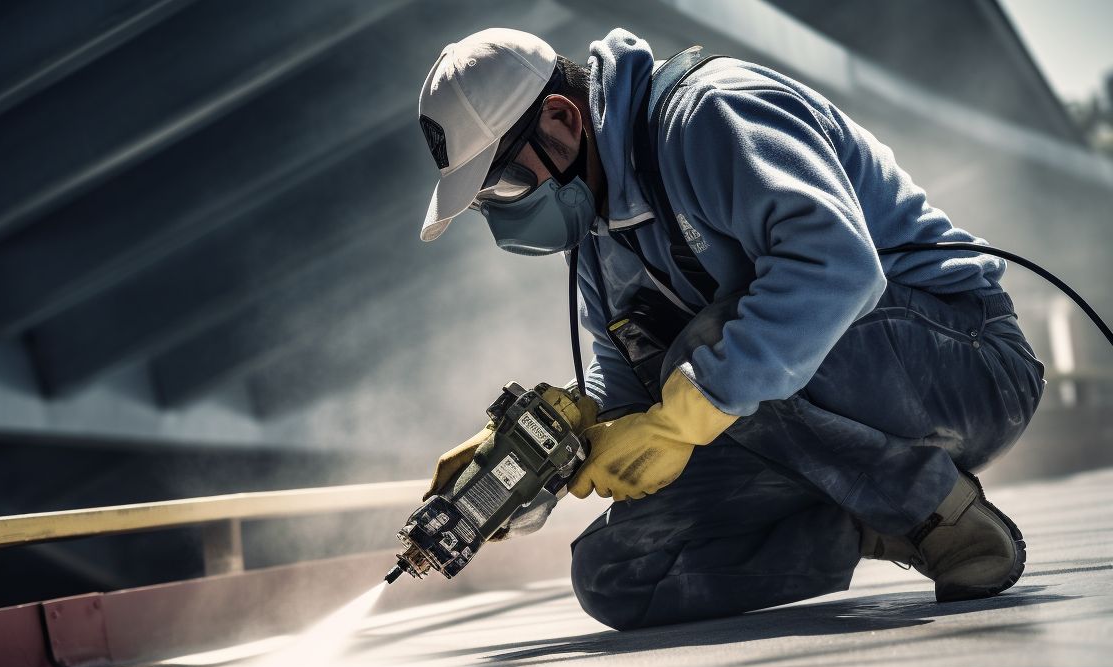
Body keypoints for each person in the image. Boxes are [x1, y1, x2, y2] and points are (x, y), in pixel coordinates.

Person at [415, 28, 1045, 631]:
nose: (502, 213)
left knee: (709, 352)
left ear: (562, 119)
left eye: (505, 183)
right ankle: (873, 519)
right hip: (801, 427)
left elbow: (838, 268)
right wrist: (550, 450)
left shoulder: (711, 115)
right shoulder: (595, 236)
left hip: (967, 366)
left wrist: (685, 415)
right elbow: (627, 385)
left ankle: (936, 513)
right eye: (484, 203)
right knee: (616, 571)